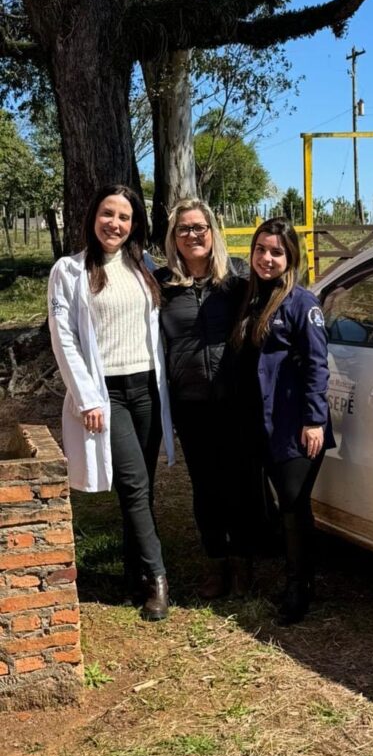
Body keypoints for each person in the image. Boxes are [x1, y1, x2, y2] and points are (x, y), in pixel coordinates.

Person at [48, 185, 175, 621]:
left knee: (139, 485)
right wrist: (86, 397)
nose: (115, 224)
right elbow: (64, 339)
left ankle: (131, 573)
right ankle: (158, 578)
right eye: (108, 214)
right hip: (109, 393)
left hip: (147, 389)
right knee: (135, 484)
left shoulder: (146, 268)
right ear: (93, 216)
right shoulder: (69, 271)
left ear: (134, 224)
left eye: (124, 217)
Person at [231, 218, 334, 625]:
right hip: (262, 421)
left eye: (276, 252)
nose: (267, 258)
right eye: (261, 250)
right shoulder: (252, 298)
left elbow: (316, 366)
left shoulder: (302, 304)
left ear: (291, 257)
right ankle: (291, 572)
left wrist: (314, 420)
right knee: (278, 504)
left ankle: (300, 587)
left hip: (296, 425)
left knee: (294, 506)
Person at [155, 198, 252, 599]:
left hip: (236, 400)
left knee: (240, 482)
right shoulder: (160, 284)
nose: (192, 235)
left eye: (199, 228)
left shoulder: (238, 279)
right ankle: (216, 562)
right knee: (205, 485)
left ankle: (244, 562)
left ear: (213, 233)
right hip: (190, 403)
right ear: (173, 239)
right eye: (183, 229)